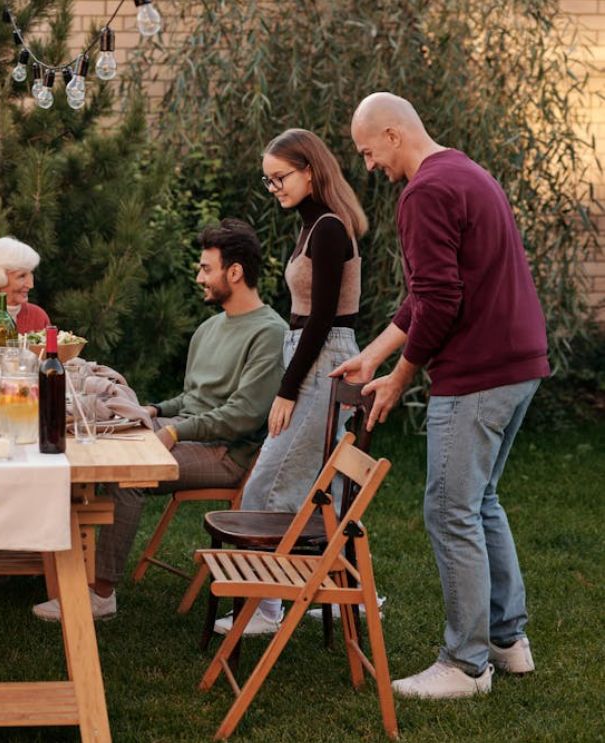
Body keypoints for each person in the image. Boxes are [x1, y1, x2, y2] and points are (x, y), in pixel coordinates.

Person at [337, 92, 548, 699]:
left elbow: (441, 300)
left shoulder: (424, 192)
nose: (369, 165)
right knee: (480, 502)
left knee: (450, 510)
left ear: (394, 134)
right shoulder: (466, 171)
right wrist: (374, 354)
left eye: (368, 150)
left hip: (478, 373)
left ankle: (465, 664)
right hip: (518, 365)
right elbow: (430, 292)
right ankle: (508, 643)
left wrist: (401, 377)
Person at [33, 219, 287, 621]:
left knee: (127, 476)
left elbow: (243, 415)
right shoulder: (209, 328)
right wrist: (153, 411)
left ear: (234, 273)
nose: (199, 276)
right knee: (88, 444)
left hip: (226, 453)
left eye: (207, 268)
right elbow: (194, 398)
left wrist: (172, 431)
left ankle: (101, 594)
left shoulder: (270, 333)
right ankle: (49, 565)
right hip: (190, 433)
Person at [224, 128, 368, 636]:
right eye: (268, 181)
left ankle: (268, 606)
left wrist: (286, 390)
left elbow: (325, 318)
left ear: (310, 169)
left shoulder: (329, 228)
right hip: (309, 352)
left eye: (280, 177)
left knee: (273, 480)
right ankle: (279, 597)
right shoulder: (311, 226)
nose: (275, 188)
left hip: (322, 358)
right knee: (279, 477)